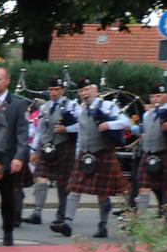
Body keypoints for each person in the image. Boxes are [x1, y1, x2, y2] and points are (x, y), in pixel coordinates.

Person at [54, 79, 133, 238]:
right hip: (84, 154)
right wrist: (78, 154)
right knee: (73, 189)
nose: (85, 93)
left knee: (102, 193)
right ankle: (67, 224)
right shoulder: (82, 109)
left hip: (102, 153)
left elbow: (126, 122)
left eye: (88, 90)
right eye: (82, 91)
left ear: (96, 91)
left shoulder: (107, 106)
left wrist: (109, 125)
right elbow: (81, 135)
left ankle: (103, 225)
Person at [0, 66, 34, 245]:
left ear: (7, 81)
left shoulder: (18, 104)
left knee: (8, 198)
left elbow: (22, 133)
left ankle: (8, 232)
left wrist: (19, 157)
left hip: (8, 158)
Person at [31, 78, 77, 225]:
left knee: (63, 182)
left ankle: (61, 214)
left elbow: (82, 126)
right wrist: (34, 149)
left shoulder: (72, 106)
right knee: (40, 178)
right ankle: (37, 212)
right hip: (46, 147)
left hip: (64, 146)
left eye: (56, 90)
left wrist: (67, 129)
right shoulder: (45, 107)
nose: (53, 92)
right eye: (51, 90)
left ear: (62, 90)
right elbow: (40, 129)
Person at [133, 81, 167, 216]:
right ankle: (140, 221)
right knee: (143, 187)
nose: (155, 99)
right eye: (153, 97)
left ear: (166, 96)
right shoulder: (146, 115)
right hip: (148, 154)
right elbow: (143, 131)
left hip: (166, 154)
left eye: (159, 96)